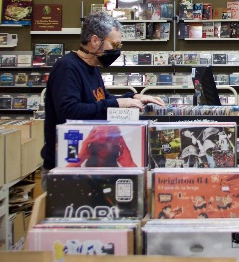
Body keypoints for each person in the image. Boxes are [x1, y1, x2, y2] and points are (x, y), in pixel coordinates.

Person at [40, 11, 165, 180]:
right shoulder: (67, 68)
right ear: (94, 41)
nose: (117, 51)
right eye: (114, 45)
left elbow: (102, 99)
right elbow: (69, 112)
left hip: (86, 167)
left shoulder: (92, 67)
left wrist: (133, 97)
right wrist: (117, 104)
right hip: (65, 166)